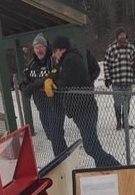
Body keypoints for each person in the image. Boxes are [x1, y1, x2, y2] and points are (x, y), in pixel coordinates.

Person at [47, 35, 120, 169]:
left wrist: (55, 84)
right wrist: (50, 79)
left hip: (85, 110)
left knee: (90, 146)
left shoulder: (71, 59)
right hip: (79, 110)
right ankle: (104, 169)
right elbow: (56, 73)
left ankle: (116, 166)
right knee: (92, 144)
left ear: (61, 49)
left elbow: (68, 82)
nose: (53, 54)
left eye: (55, 50)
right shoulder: (64, 61)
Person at [20, 34, 67, 157]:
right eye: (36, 47)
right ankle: (63, 156)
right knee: (51, 135)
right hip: (41, 107)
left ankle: (61, 159)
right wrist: (27, 87)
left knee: (56, 136)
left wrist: (35, 85)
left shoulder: (53, 60)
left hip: (55, 105)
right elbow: (24, 83)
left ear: (46, 47)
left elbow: (57, 76)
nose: (39, 50)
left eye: (41, 47)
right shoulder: (32, 65)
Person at [103, 28, 135, 130]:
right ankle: (118, 122)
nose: (122, 37)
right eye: (120, 35)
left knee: (127, 104)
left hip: (128, 81)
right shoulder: (111, 48)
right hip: (116, 82)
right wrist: (107, 78)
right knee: (117, 104)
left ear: (126, 36)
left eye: (124, 35)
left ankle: (125, 123)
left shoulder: (131, 47)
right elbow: (106, 64)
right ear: (117, 36)